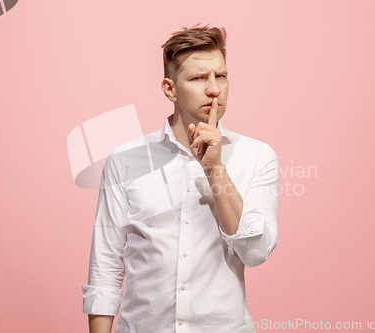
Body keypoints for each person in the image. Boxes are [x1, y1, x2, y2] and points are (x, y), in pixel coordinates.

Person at [83, 25, 279, 333]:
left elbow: (255, 253)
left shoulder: (256, 155)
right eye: (199, 78)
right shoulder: (126, 159)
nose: (214, 89)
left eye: (221, 76)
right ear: (170, 88)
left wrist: (215, 171)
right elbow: (105, 266)